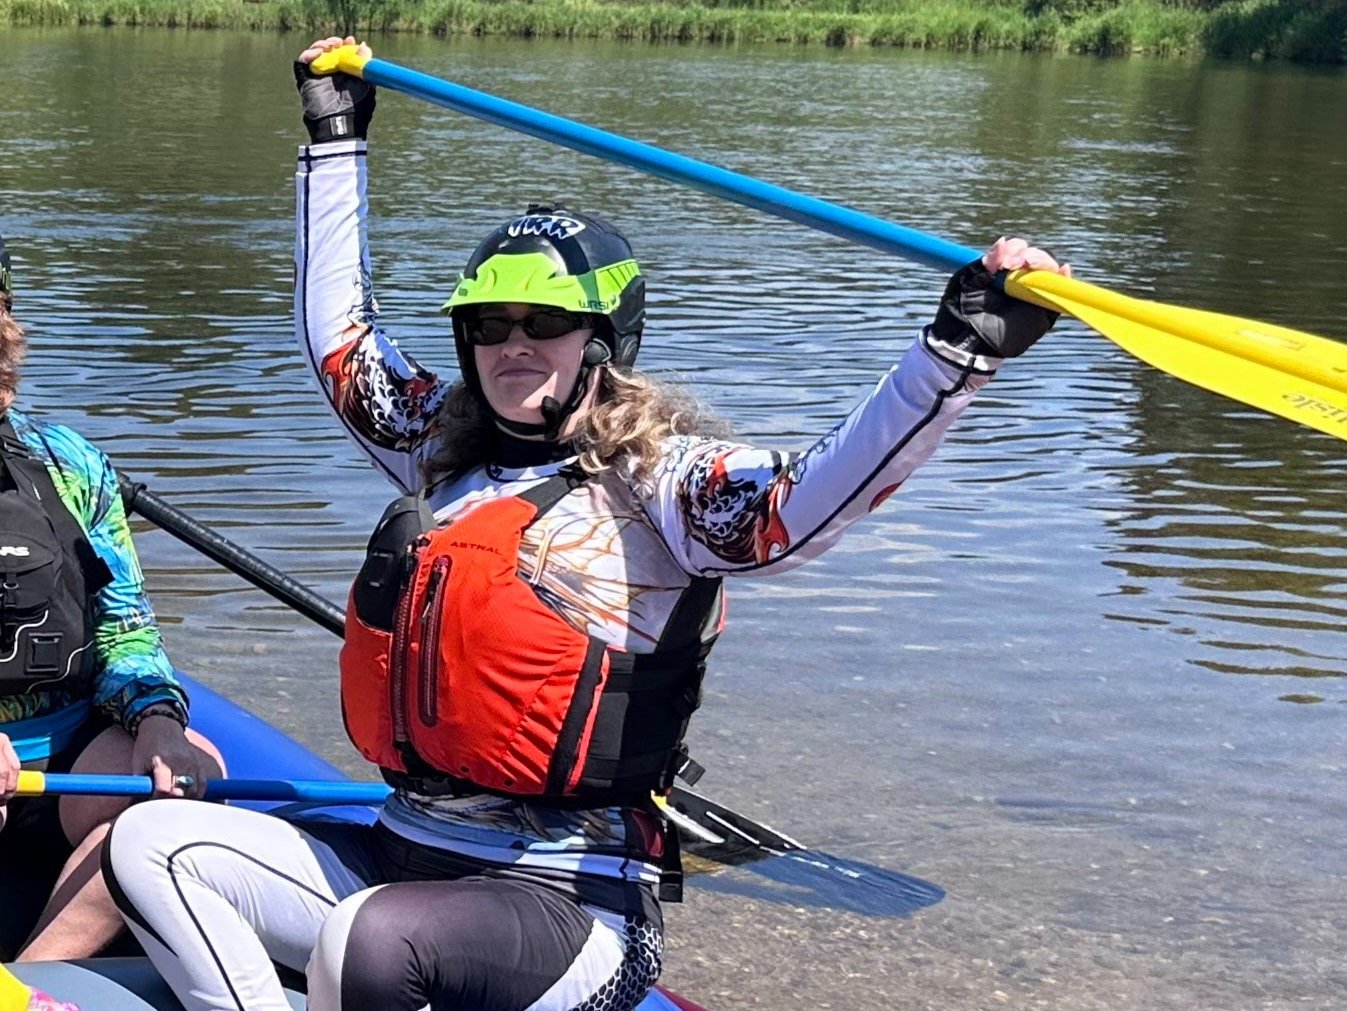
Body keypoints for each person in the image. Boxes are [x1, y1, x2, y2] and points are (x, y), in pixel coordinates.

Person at [102, 36, 1071, 1011]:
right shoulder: (439, 445)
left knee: (368, 938)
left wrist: (957, 350)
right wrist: (334, 138)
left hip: (570, 906)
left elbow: (806, 502)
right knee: (153, 846)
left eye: (544, 325)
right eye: (489, 326)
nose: (512, 346)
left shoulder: (660, 484)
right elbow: (340, 343)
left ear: (603, 339)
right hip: (405, 851)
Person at [0, 234, 224, 966]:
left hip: (66, 752)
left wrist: (159, 720)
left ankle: (30, 980)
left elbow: (125, 629)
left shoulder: (68, 462)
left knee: (200, 765)